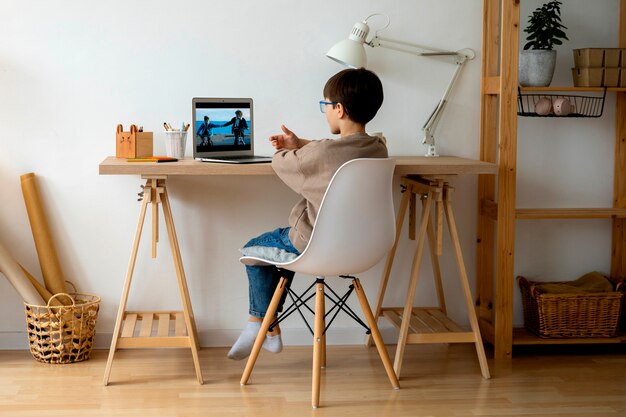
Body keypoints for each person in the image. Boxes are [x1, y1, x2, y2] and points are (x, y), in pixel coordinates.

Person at [227, 67, 388, 360]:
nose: (325, 112)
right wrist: (302, 144)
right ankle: (264, 326)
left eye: (325, 106)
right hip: (364, 248)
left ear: (339, 109)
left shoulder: (321, 155)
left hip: (313, 244)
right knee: (273, 254)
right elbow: (335, 150)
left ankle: (263, 325)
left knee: (252, 250)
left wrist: (288, 150)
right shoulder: (379, 148)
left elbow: (282, 163)